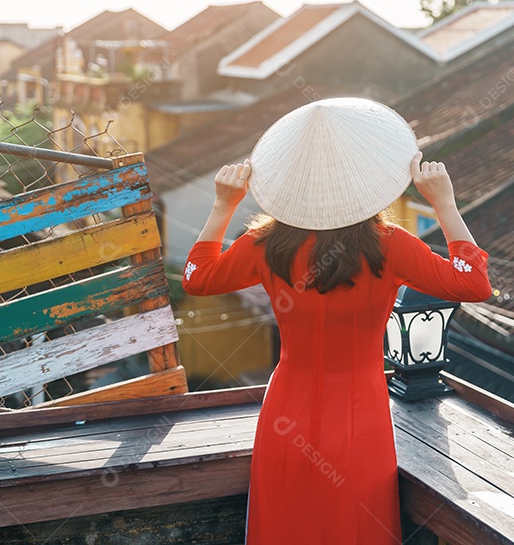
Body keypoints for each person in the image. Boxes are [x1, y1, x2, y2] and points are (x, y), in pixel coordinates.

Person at [182, 97, 492, 544]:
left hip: (286, 413)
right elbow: (474, 284)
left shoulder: (265, 245)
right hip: (360, 419)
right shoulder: (390, 245)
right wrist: (443, 202)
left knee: (284, 524)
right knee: (355, 526)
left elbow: (197, 277)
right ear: (365, 181)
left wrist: (223, 204)